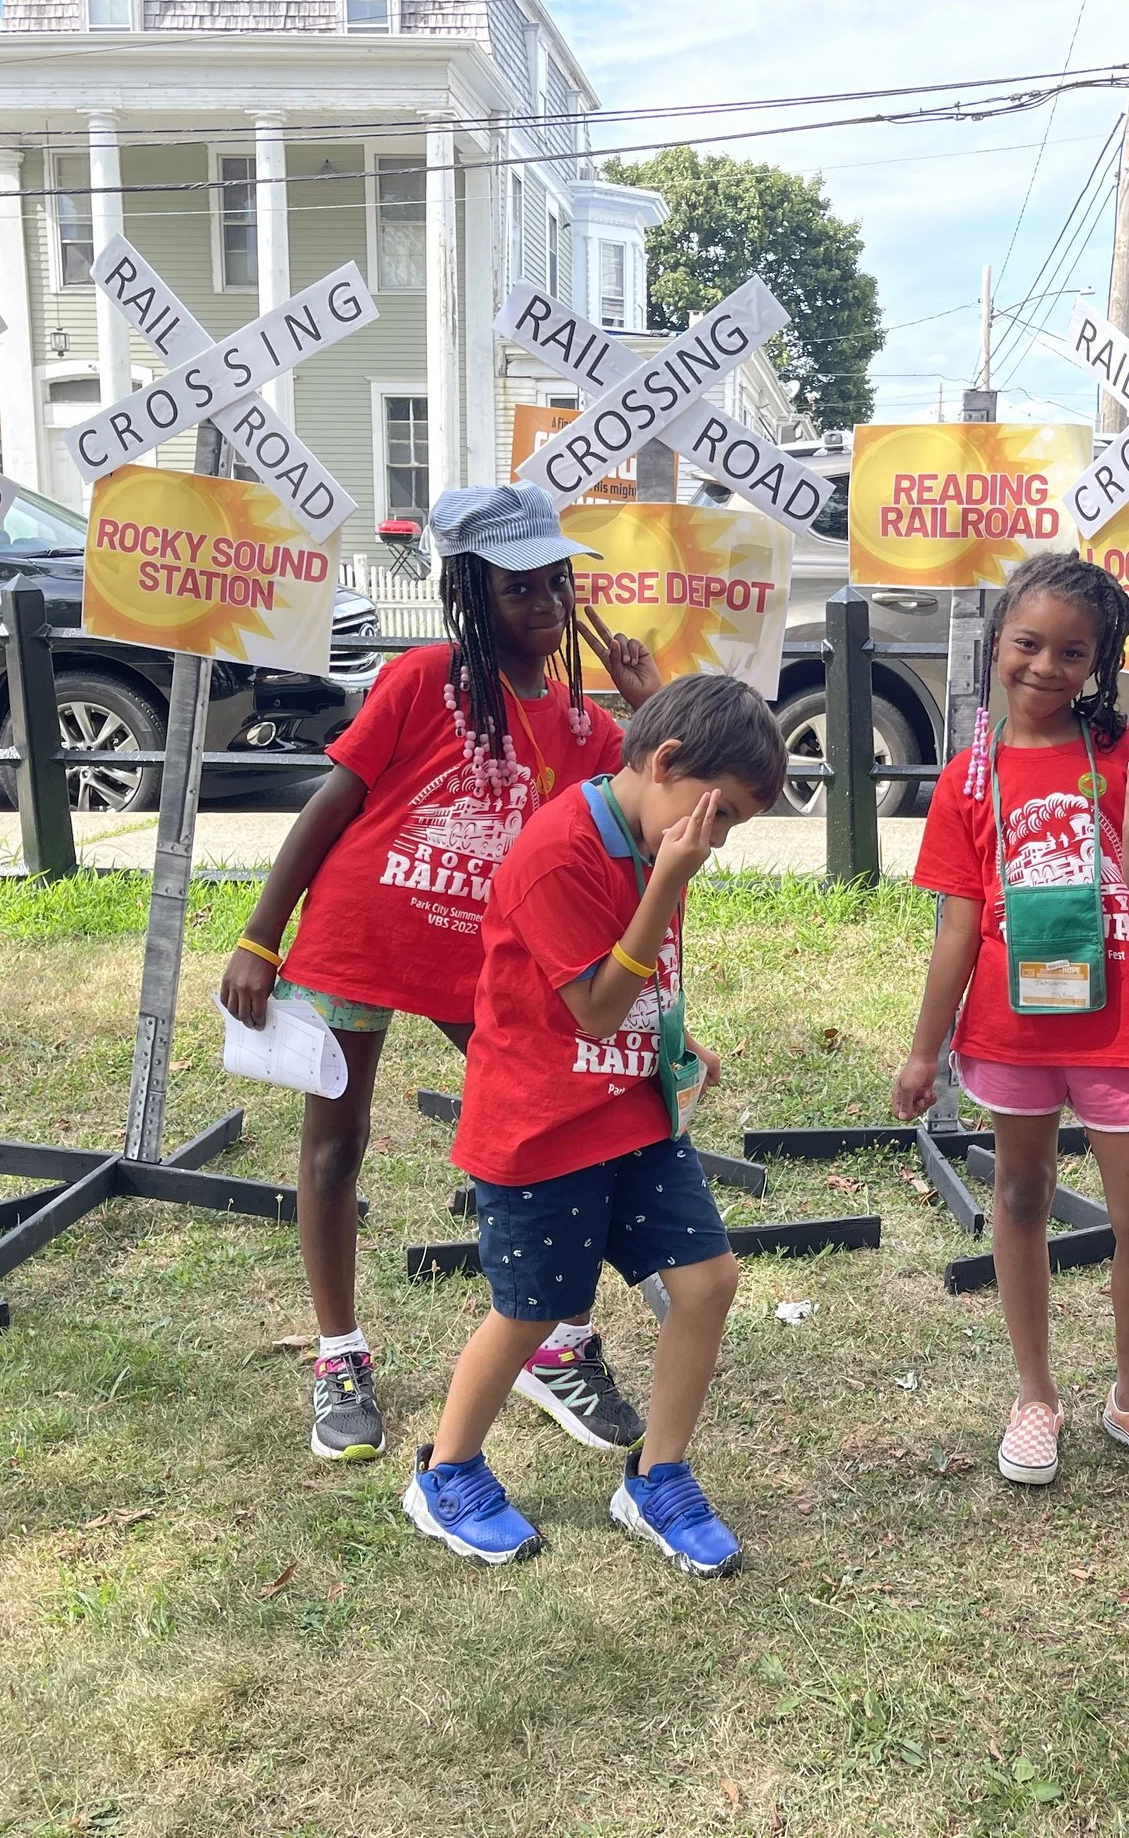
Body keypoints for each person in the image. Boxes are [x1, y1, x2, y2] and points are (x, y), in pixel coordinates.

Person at [218, 483, 662, 1464]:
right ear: (466, 591)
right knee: (336, 1146)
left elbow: (652, 807)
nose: (545, 605)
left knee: (554, 1132)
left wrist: (647, 707)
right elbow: (331, 806)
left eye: (556, 583)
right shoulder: (423, 681)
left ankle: (556, 1339)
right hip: (362, 940)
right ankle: (340, 1353)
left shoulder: (589, 729)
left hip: (491, 967)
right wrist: (259, 936)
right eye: (518, 589)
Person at [403, 673, 786, 1574]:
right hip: (540, 1131)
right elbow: (598, 1008)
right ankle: (445, 1473)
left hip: (636, 1115)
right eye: (721, 813)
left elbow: (646, 989)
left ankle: (658, 1476)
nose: (718, 839)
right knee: (531, 1311)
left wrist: (683, 1044)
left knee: (708, 1281)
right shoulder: (559, 853)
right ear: (663, 765)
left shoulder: (661, 832)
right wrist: (670, 881)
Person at [892, 552, 1129, 1494]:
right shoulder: (967, 779)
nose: (1046, 667)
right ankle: (1035, 1395)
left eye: (1075, 652)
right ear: (998, 641)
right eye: (1028, 643)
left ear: (1102, 662)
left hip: (1120, 1030)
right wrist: (923, 1052)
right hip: (1008, 1033)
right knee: (1021, 1198)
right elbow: (956, 929)